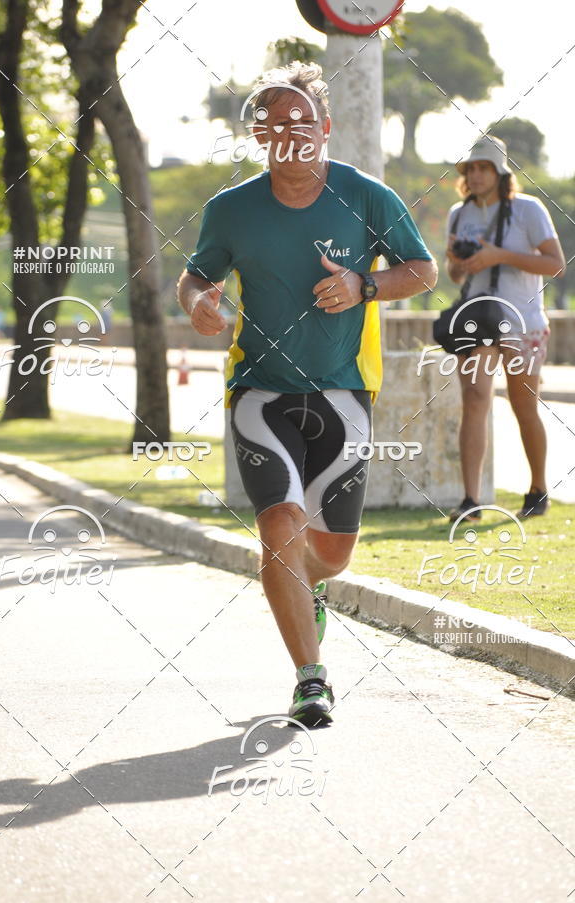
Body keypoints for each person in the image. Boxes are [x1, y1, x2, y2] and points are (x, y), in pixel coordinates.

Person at [178, 62, 437, 727]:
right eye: (276, 123)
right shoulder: (230, 209)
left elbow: (422, 269)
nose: (291, 132)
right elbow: (196, 277)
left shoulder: (367, 196)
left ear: (324, 127)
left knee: (332, 552)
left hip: (344, 393)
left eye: (303, 121)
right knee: (279, 527)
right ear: (260, 135)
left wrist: (364, 286)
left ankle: (308, 586)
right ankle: (310, 677)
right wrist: (199, 303)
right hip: (259, 391)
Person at [445, 136, 565, 523]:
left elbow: (555, 263)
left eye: (484, 168)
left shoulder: (528, 210)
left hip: (524, 321)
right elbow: (453, 274)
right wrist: (458, 261)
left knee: (523, 405)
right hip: (477, 320)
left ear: (500, 173)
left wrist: (501, 256)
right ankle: (470, 500)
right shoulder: (458, 214)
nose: (476, 175)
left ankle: (538, 488)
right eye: (471, 169)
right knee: (476, 399)